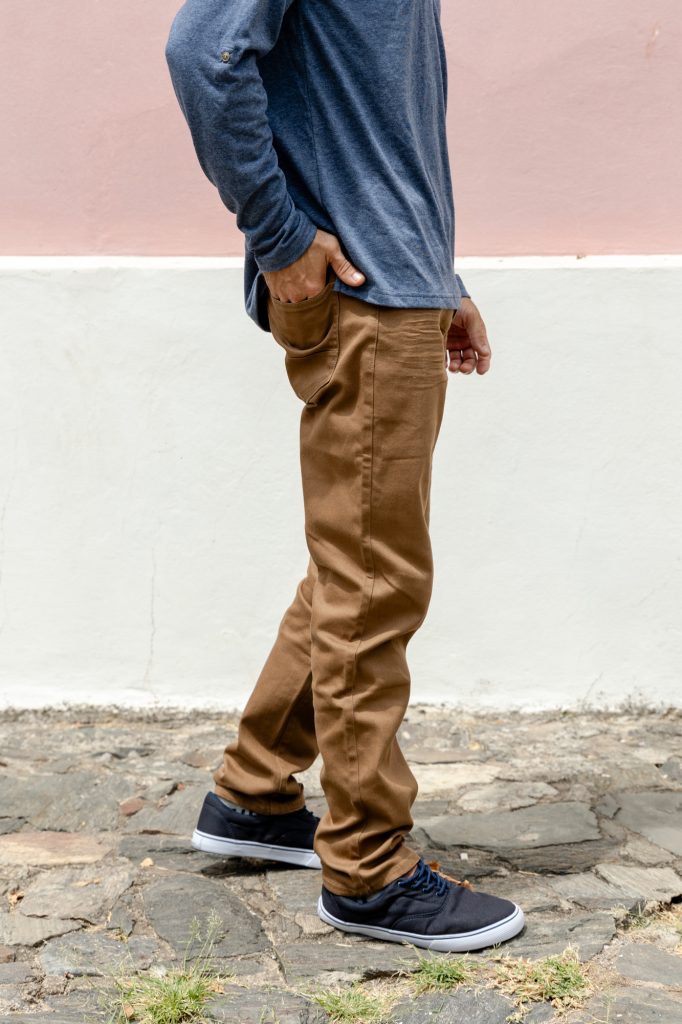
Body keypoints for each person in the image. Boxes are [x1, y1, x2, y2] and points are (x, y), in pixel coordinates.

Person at [165, 0, 525, 952]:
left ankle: (252, 793)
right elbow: (204, 53)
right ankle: (367, 869)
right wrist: (279, 236)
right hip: (365, 297)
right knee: (375, 579)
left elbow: (378, 122)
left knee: (351, 566)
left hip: (399, 283)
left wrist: (441, 278)